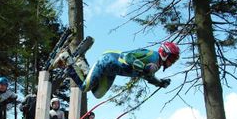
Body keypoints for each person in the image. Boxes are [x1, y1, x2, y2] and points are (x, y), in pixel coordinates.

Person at [52, 42, 180, 99]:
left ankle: (80, 63)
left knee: (97, 94)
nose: (172, 62)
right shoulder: (151, 56)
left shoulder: (155, 66)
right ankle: (67, 59)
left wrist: (160, 83)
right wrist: (143, 67)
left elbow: (149, 77)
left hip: (111, 71)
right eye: (172, 58)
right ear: (165, 53)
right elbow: (127, 56)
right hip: (108, 61)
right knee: (85, 87)